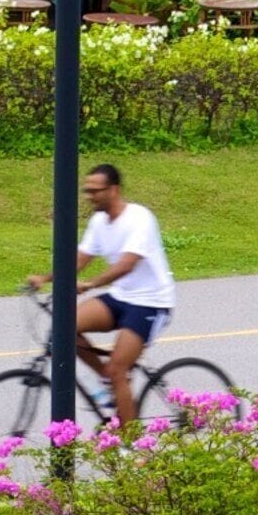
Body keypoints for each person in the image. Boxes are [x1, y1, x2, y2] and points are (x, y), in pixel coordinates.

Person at [58, 162, 176, 428]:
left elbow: (127, 264)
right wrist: (45, 278)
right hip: (122, 297)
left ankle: (132, 446)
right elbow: (78, 260)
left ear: (114, 190)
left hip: (151, 303)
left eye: (95, 190)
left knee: (118, 370)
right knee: (64, 327)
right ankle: (105, 379)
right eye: (86, 190)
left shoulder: (139, 219)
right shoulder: (99, 221)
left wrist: (90, 284)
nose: (90, 196)